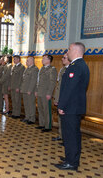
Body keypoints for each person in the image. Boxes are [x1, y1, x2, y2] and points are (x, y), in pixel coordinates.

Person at [54, 42, 90, 171]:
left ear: (75, 51)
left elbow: (69, 89)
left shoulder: (75, 66)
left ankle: (71, 162)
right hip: (74, 106)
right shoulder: (81, 65)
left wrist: (62, 105)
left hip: (71, 107)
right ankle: (71, 157)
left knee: (70, 135)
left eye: (69, 49)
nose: (67, 51)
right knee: (73, 135)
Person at [35, 54, 57, 132]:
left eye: (44, 58)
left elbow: (52, 82)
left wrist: (49, 93)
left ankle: (48, 126)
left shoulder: (52, 69)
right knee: (40, 109)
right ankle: (42, 124)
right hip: (40, 92)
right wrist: (36, 91)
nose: (42, 60)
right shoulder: (41, 69)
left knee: (47, 110)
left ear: (49, 60)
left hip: (46, 93)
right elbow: (38, 82)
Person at [52, 53, 70, 142]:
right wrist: (56, 98)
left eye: (64, 58)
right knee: (60, 119)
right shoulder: (63, 69)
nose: (62, 59)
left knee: (65, 120)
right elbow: (58, 85)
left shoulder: (70, 69)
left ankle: (65, 138)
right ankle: (61, 135)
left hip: (65, 98)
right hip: (60, 97)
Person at [20, 56, 39, 124]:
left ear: (31, 61)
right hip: (25, 89)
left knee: (31, 105)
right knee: (26, 104)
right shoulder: (27, 69)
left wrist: (30, 90)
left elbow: (33, 81)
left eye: (27, 61)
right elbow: (24, 80)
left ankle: (32, 119)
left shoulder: (35, 69)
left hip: (30, 90)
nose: (26, 62)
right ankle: (27, 117)